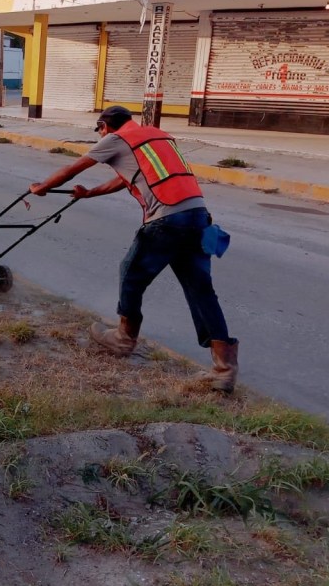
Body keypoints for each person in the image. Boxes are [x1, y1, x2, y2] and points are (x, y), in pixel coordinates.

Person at [29, 105, 239, 393]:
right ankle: (224, 369)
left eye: (99, 130)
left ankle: (124, 338)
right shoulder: (157, 136)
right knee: (201, 291)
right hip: (198, 217)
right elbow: (125, 178)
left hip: (166, 219)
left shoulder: (115, 139)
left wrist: (42, 186)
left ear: (105, 126)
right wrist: (90, 193)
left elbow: (72, 168)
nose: (100, 135)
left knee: (130, 273)